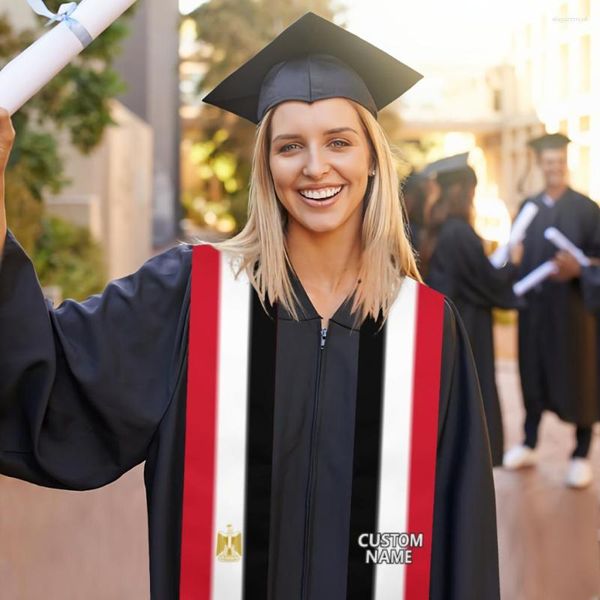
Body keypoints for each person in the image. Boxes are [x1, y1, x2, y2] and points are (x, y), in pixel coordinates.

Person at [0, 13, 500, 599]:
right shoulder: (190, 296)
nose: (316, 166)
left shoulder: (428, 328)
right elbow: (49, 379)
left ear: (372, 159)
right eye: (291, 146)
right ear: (266, 166)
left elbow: (462, 540)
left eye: (339, 141)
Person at [503, 133, 600, 489]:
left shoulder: (587, 209)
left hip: (575, 314)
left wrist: (581, 269)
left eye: (559, 162)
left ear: (566, 164)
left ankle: (580, 453)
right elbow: (514, 256)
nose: (554, 168)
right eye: (548, 163)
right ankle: (529, 443)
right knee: (533, 372)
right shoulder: (529, 208)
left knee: (582, 377)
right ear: (540, 166)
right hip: (536, 312)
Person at [423, 153, 521, 466]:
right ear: (464, 192)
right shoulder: (458, 232)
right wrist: (513, 263)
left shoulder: (434, 229)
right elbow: (485, 279)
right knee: (473, 392)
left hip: (447, 322)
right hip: (468, 325)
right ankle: (474, 460)